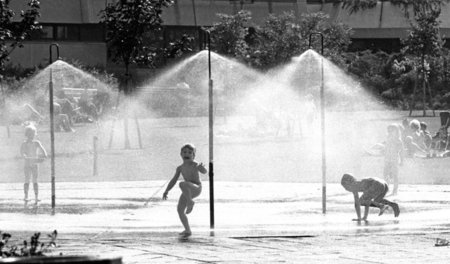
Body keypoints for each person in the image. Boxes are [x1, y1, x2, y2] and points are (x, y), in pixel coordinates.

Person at [162, 143, 207, 237]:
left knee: (182, 183)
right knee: (180, 210)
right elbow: (173, 180)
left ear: (194, 155)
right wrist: (167, 190)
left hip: (196, 188)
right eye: (185, 152)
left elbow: (204, 172)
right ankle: (187, 230)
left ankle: (190, 202)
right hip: (187, 191)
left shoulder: (195, 164)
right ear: (181, 154)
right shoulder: (180, 168)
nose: (187, 154)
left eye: (190, 152)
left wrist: (202, 168)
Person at [20, 125, 47, 205]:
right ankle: (26, 196)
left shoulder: (37, 143)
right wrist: (25, 156)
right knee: (27, 180)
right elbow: (22, 153)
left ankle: (36, 196)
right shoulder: (24, 144)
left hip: (34, 164)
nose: (31, 136)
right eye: (29, 134)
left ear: (35, 134)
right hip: (27, 164)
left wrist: (43, 156)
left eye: (33, 134)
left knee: (35, 180)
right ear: (27, 135)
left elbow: (43, 151)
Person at [383, 124, 404, 195]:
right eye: (389, 130)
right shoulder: (388, 138)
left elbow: (401, 151)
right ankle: (386, 188)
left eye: (392, 130)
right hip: (387, 159)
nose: (390, 131)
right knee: (385, 174)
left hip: (394, 159)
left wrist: (402, 160)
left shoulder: (398, 140)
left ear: (397, 131)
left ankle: (395, 190)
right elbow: (386, 149)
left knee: (395, 175)